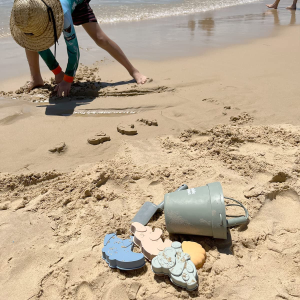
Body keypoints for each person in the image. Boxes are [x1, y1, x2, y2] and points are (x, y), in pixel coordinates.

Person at [10, 0, 147, 97]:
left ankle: (133, 71)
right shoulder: (26, 14)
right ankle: (36, 78)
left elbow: (74, 51)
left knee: (100, 38)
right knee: (30, 39)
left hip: (77, 3)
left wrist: (67, 79)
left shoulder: (63, 17)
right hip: (49, 11)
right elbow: (38, 45)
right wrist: (57, 71)